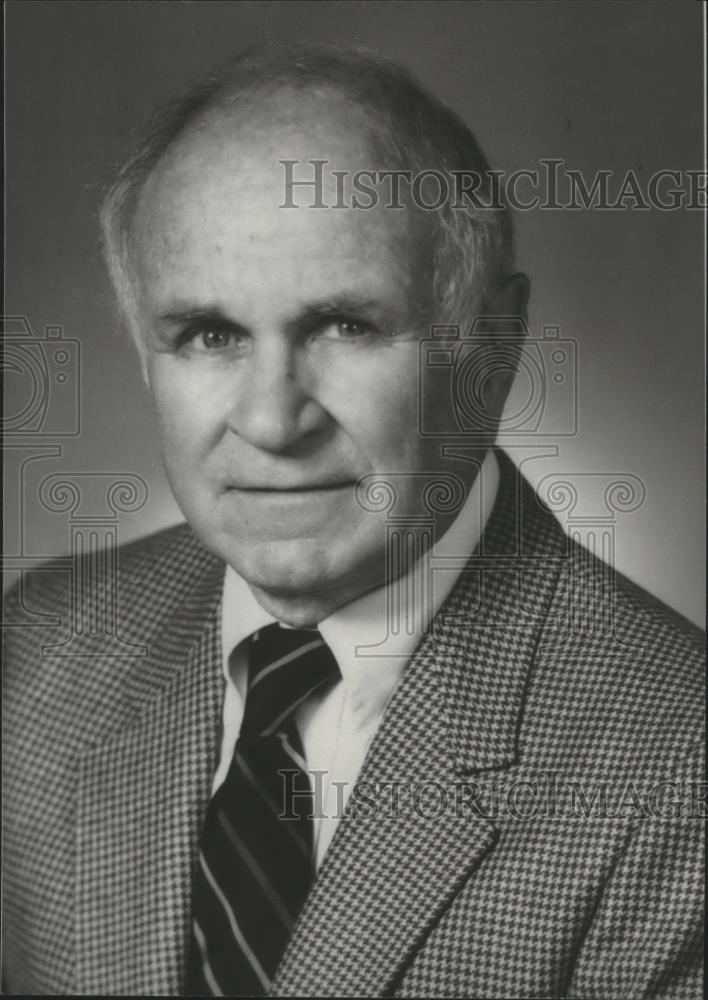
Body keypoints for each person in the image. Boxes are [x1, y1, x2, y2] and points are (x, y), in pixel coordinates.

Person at [3, 42, 703, 999]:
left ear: (492, 349)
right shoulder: (39, 651)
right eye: (210, 335)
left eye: (345, 326)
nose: (270, 420)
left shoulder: (677, 762)